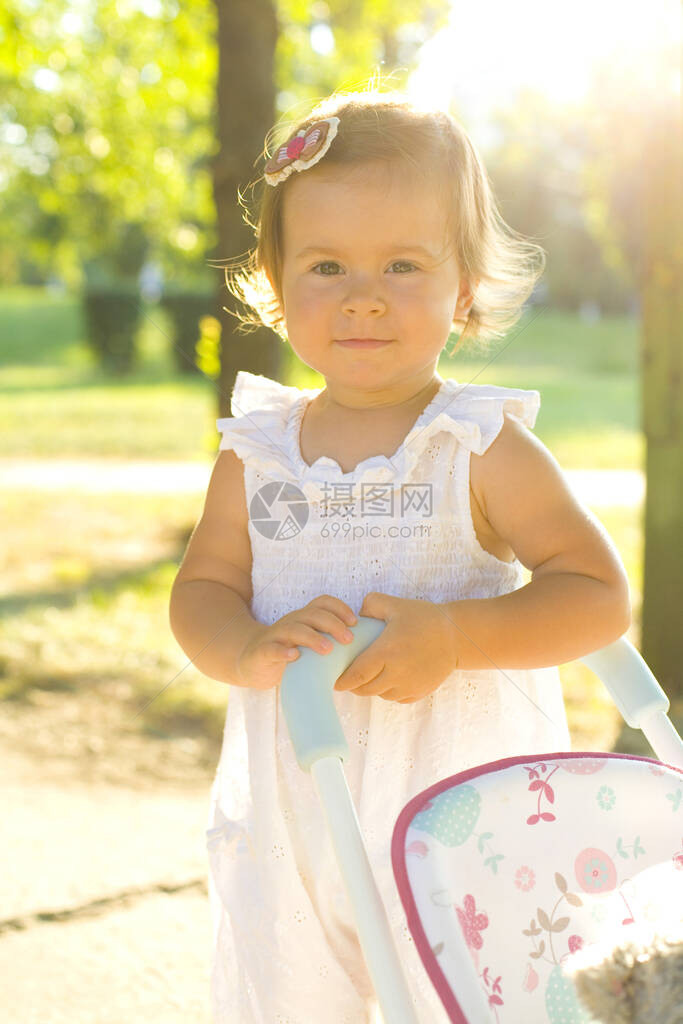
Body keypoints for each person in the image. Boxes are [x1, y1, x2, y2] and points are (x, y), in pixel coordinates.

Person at [169, 86, 632, 1024]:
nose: (363, 296)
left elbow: (595, 596)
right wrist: (244, 648)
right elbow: (204, 590)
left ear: (462, 286)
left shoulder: (476, 443)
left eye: (403, 265)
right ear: (276, 279)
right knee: (293, 998)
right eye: (327, 265)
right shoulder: (257, 453)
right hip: (296, 810)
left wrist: (457, 636)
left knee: (474, 998)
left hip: (466, 812)